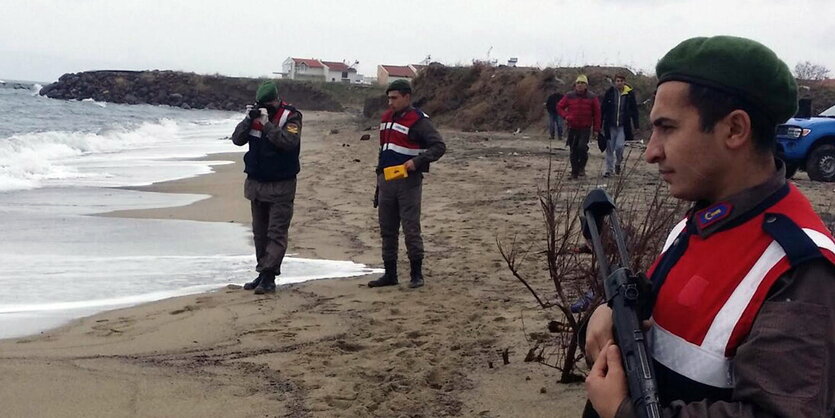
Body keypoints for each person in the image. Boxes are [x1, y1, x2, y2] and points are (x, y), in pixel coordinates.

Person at [583, 36, 835, 418]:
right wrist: (612, 314)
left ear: (734, 129)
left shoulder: (799, 267)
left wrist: (624, 412)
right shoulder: (702, 220)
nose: (651, 151)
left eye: (667, 128)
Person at [368, 79, 446, 289]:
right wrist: (378, 182)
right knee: (387, 229)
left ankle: (416, 274)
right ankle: (390, 274)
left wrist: (417, 162)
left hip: (408, 181)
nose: (390, 102)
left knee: (411, 228)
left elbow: (439, 146)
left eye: (394, 98)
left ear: (406, 97)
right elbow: (383, 151)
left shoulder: (419, 120)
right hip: (386, 180)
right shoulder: (386, 118)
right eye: (389, 98)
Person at [230, 80, 303, 295]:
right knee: (260, 233)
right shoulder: (254, 117)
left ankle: (269, 276)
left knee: (276, 232)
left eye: (266, 105)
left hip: (281, 183)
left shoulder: (291, 117)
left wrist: (267, 124)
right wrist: (248, 120)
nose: (263, 108)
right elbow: (237, 140)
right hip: (257, 183)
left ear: (275, 100)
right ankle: (262, 271)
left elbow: (289, 142)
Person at [558, 75, 601, 179]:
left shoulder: (592, 97)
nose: (580, 85)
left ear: (586, 85)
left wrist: (596, 129)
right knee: (573, 150)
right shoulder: (569, 96)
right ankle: (574, 172)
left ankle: (581, 167)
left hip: (585, 128)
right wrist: (566, 116)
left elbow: (597, 114)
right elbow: (559, 106)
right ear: (575, 85)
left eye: (582, 83)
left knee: (582, 147)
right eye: (578, 83)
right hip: (572, 127)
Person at [599, 74, 639, 177]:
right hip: (610, 125)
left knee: (620, 147)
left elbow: (634, 110)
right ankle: (608, 170)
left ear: (624, 82)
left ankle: (618, 163)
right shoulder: (610, 93)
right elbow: (603, 109)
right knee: (609, 148)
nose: (619, 83)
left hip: (622, 126)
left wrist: (636, 125)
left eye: (621, 81)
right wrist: (599, 124)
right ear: (614, 82)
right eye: (617, 81)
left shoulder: (629, 94)